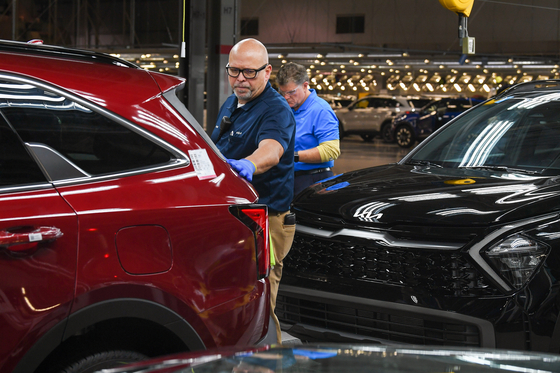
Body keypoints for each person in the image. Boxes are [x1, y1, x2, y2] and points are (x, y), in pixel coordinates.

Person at [210, 38, 296, 344]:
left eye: (248, 72)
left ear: (267, 71)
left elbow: (271, 150)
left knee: (258, 303)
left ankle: (267, 360)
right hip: (235, 215)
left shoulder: (275, 110)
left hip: (266, 221)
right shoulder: (233, 101)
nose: (240, 79)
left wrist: (248, 164)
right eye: (234, 71)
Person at [276, 62, 340, 197]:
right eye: (282, 92)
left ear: (305, 86)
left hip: (314, 180)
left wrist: (294, 156)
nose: (286, 97)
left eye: (291, 92)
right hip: (289, 178)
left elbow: (331, 150)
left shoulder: (320, 110)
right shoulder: (287, 108)